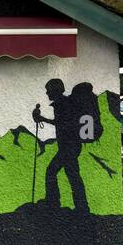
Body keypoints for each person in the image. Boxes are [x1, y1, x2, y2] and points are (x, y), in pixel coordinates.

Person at [32, 78, 97, 212]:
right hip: (71, 146)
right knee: (73, 175)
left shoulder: (62, 104)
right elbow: (62, 123)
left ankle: (53, 202)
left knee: (51, 171)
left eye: (48, 90)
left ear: (54, 90)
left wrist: (42, 119)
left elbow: (63, 124)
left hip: (69, 146)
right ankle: (82, 207)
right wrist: (43, 119)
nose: (46, 93)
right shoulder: (64, 103)